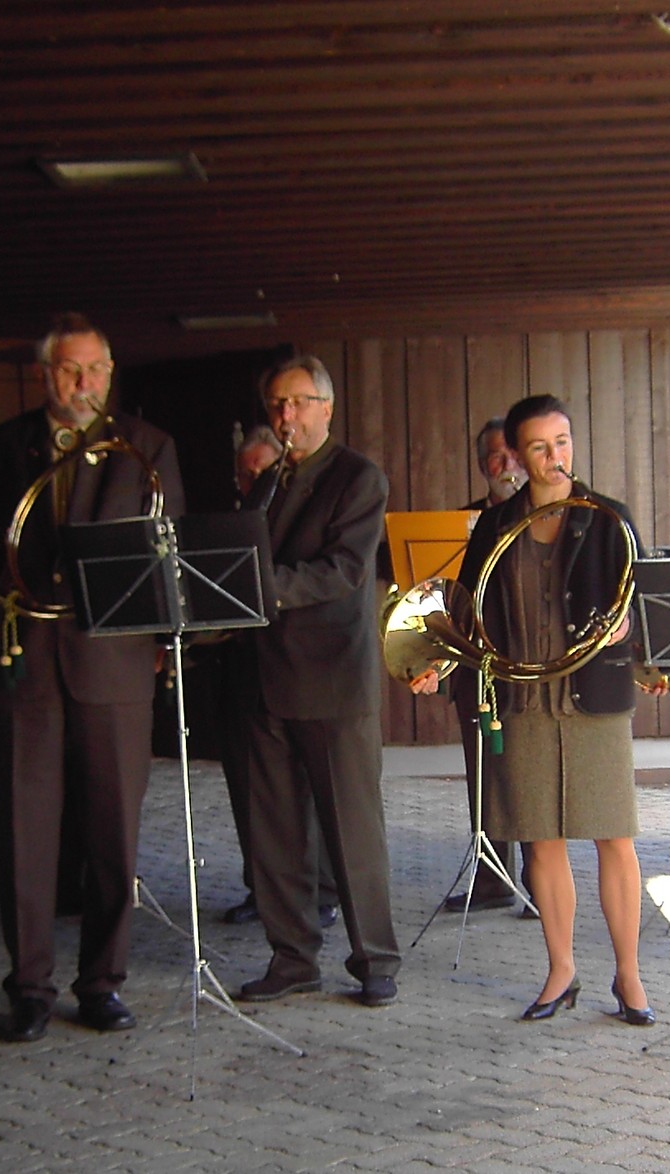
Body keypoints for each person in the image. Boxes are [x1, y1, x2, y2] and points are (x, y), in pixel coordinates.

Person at [0, 312, 186, 1043]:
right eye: (70, 370)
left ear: (111, 373)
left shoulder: (150, 448)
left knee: (112, 837)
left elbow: (169, 562)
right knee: (24, 833)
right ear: (45, 375)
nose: (84, 383)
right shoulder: (3, 446)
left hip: (114, 668)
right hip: (24, 663)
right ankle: (28, 987)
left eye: (96, 369)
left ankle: (102, 983)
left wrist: (162, 644)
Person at [420, 393, 654, 1026]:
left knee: (614, 838)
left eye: (564, 442)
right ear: (517, 458)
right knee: (541, 843)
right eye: (540, 447)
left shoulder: (609, 518)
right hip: (521, 699)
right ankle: (561, 971)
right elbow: (467, 613)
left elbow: (645, 601)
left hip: (593, 699)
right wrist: (434, 661)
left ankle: (629, 976)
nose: (556, 458)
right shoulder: (497, 527)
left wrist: (633, 633)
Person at [233, 354, 401, 1009]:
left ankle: (376, 961)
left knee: (352, 830)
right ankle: (293, 957)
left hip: (332, 679)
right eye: (276, 404)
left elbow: (343, 571)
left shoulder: (359, 477)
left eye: (298, 403)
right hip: (264, 677)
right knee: (274, 832)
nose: (285, 416)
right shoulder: (266, 479)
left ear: (327, 409)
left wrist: (255, 590)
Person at [219, 425, 338, 929]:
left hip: (304, 668)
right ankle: (264, 888)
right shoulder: (232, 521)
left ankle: (325, 890)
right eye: (246, 473)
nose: (254, 480)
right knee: (253, 790)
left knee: (314, 787)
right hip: (245, 670)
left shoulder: (303, 515)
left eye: (262, 471)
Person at [443, 417, 532, 915]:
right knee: (483, 774)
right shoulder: (460, 525)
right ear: (482, 467)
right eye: (495, 459)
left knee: (528, 776)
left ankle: (542, 887)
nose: (506, 466)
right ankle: (494, 877)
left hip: (525, 667)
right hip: (475, 667)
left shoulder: (540, 515)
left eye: (512, 455)